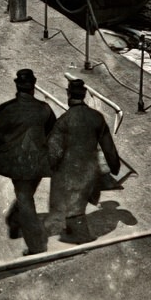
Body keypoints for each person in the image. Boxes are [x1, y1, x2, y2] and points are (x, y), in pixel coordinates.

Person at [0, 69, 57, 256]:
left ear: (17, 86)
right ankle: (36, 247)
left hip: (13, 163)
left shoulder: (3, 110)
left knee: (25, 195)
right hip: (38, 163)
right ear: (33, 87)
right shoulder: (45, 109)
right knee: (26, 197)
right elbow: (54, 135)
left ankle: (15, 221)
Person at [48, 79, 121, 244]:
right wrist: (115, 167)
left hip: (69, 172)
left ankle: (81, 237)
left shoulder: (63, 120)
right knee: (79, 201)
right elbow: (109, 148)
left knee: (71, 204)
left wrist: (52, 167)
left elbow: (53, 150)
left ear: (68, 94)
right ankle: (76, 230)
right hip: (90, 171)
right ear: (85, 95)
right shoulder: (96, 117)